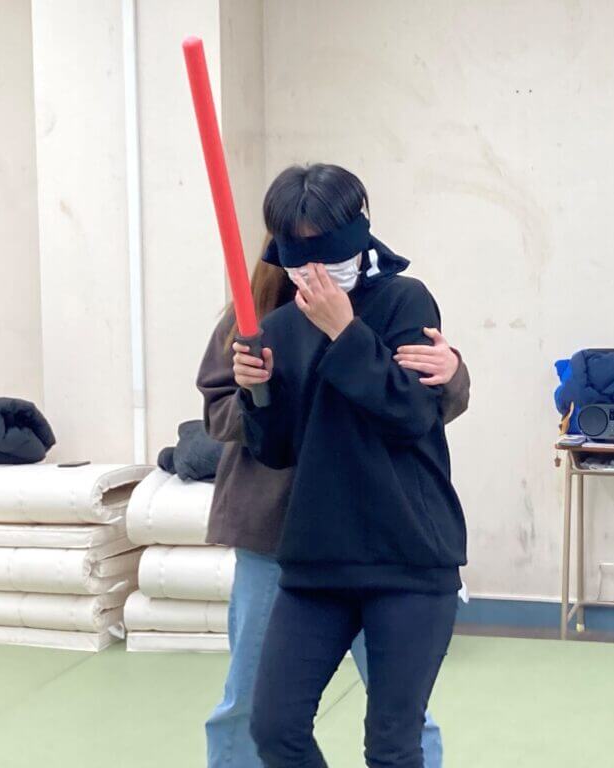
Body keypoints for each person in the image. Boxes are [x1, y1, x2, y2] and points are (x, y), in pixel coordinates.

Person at [199, 174, 471, 765]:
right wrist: (256, 393)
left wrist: (450, 373)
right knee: (258, 710)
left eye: (327, 246)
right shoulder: (259, 321)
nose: (316, 270)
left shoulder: (401, 300)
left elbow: (415, 408)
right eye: (300, 253)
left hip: (399, 542)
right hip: (290, 538)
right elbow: (259, 431)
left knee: (399, 730)